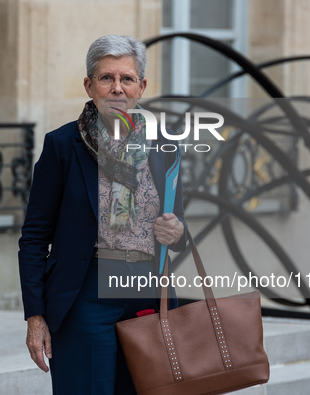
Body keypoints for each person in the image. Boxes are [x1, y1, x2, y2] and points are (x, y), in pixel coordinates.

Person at [18, 34, 186, 395]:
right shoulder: (62, 145)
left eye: (126, 78)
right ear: (89, 85)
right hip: (86, 296)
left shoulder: (165, 146)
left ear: (141, 86)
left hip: (147, 292)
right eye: (106, 77)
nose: (117, 88)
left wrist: (177, 232)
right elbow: (33, 238)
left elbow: (180, 226)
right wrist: (35, 316)